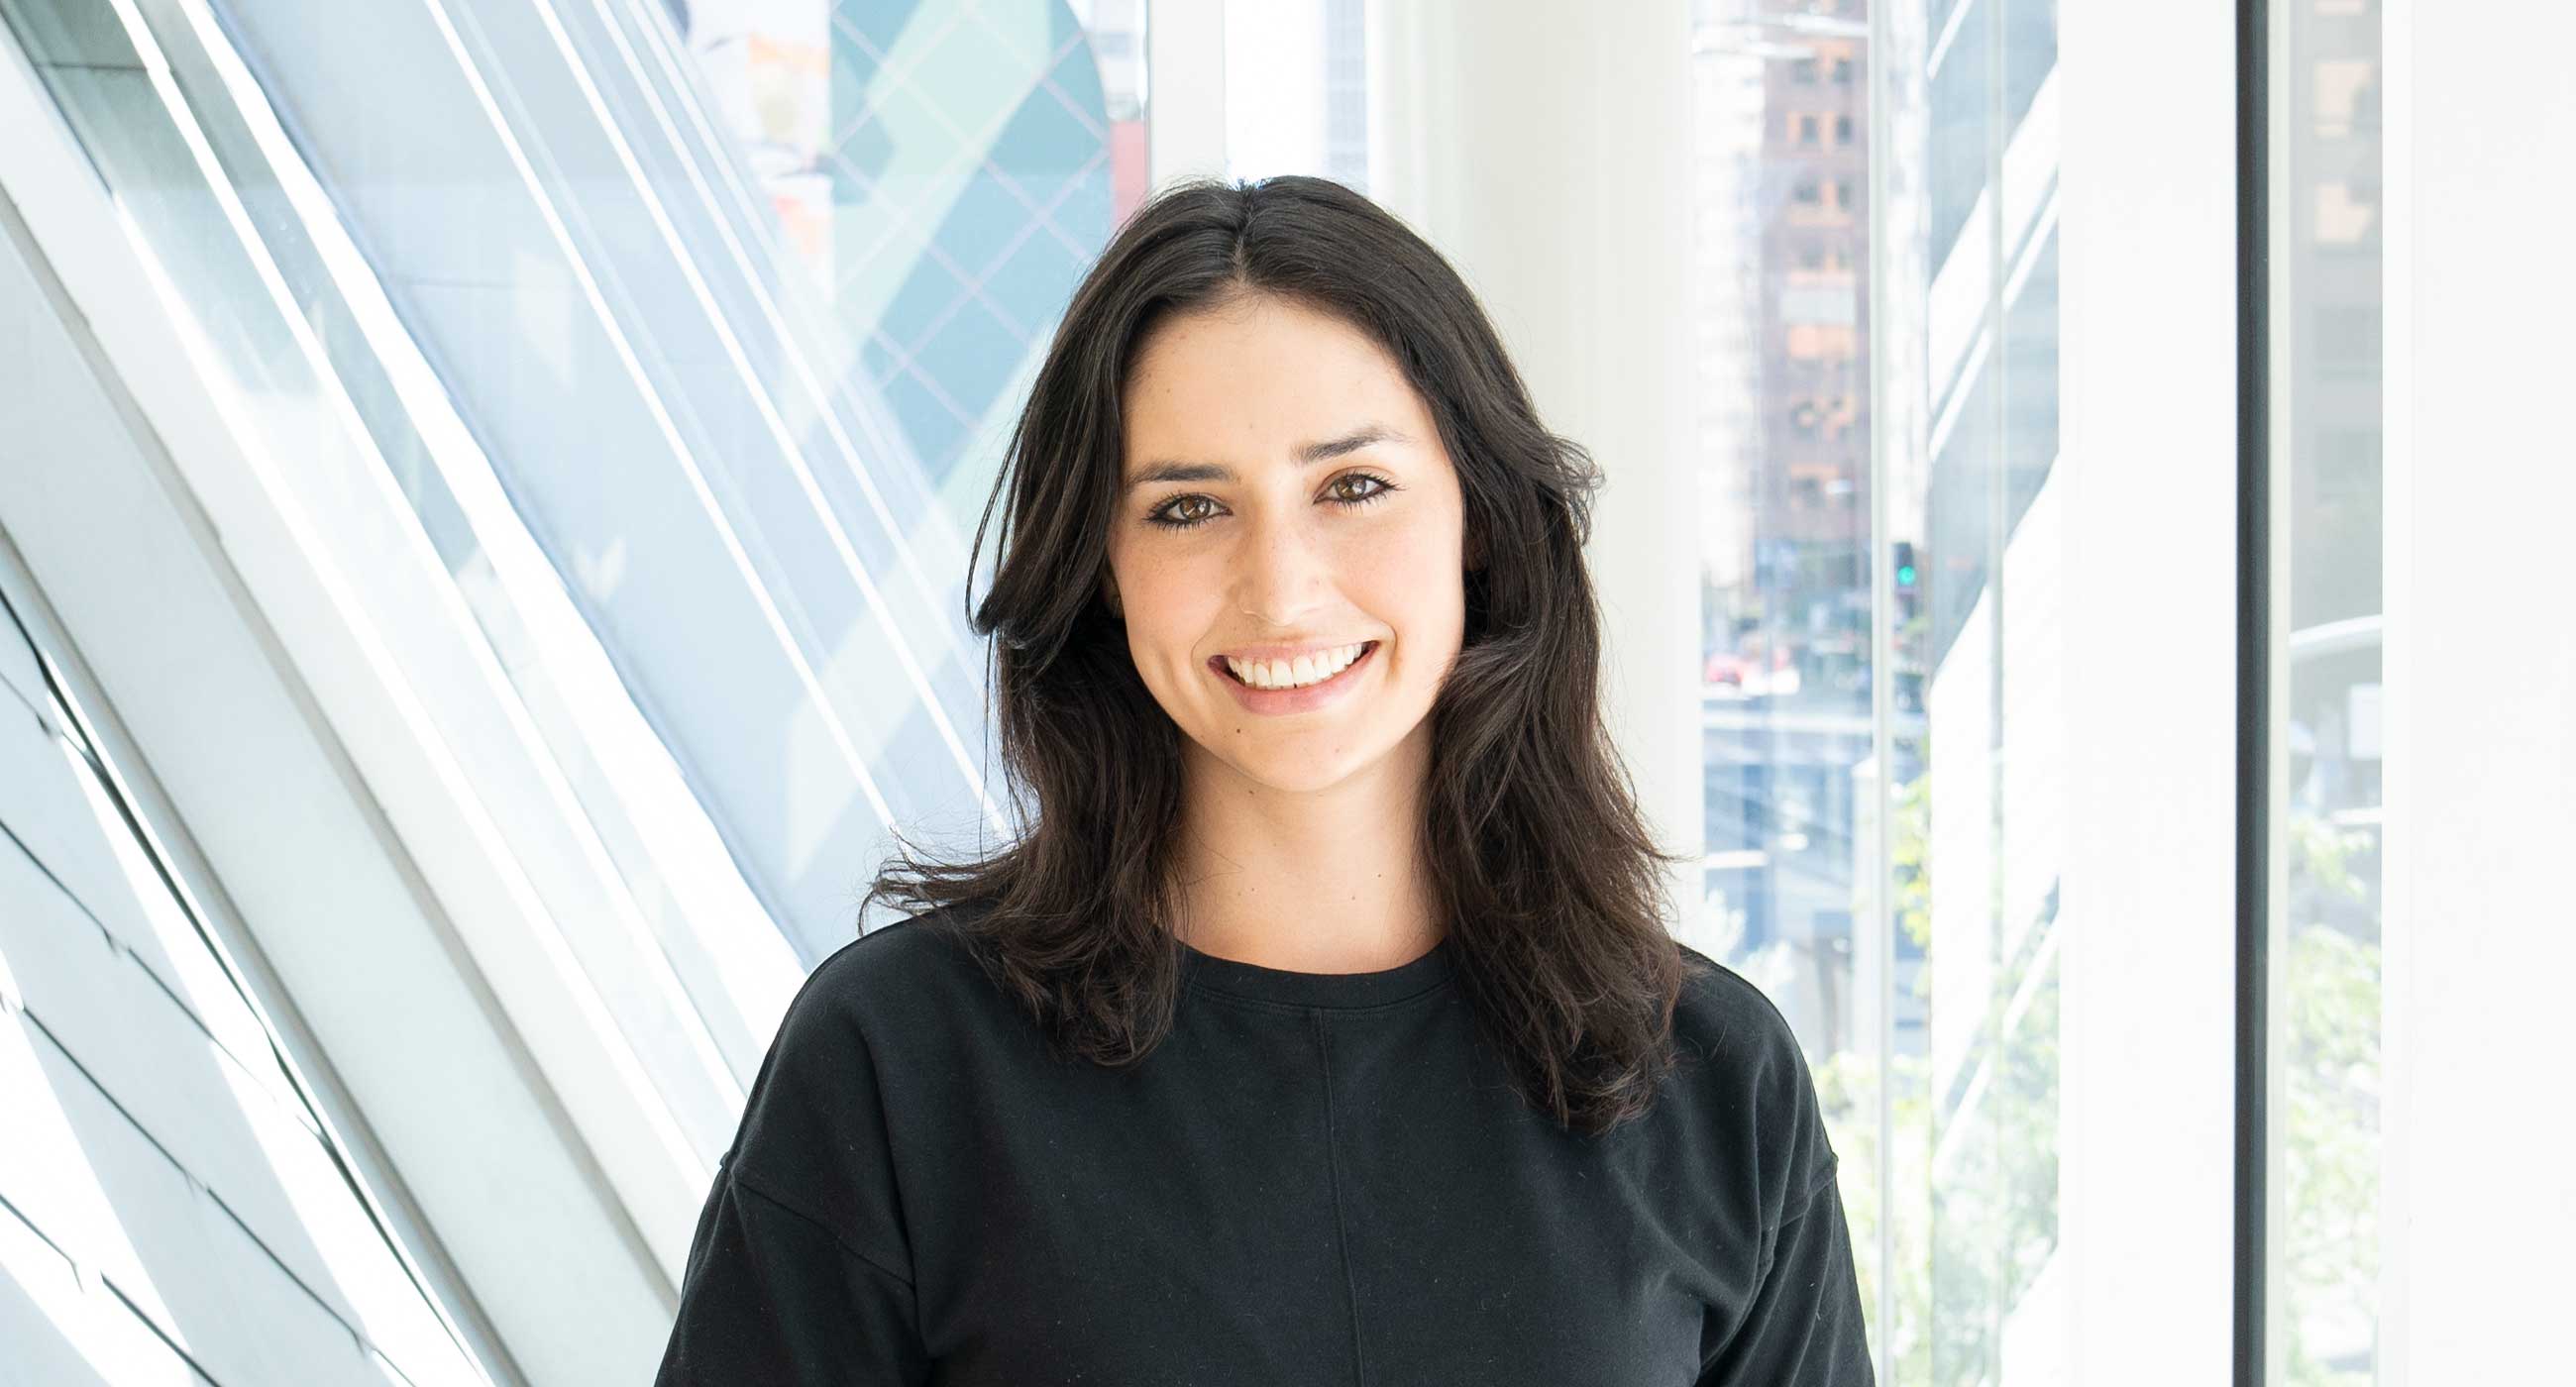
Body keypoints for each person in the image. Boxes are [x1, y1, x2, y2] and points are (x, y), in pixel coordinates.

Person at [653, 174, 1875, 1386]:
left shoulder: (1715, 1080)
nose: (1279, 588)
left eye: (1351, 487)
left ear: (1482, 525)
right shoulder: (897, 1064)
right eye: (1188, 507)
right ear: (1103, 569)